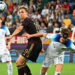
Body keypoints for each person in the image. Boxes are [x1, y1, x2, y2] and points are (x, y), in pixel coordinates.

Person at [7, 5, 42, 75]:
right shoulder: (29, 21)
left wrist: (11, 36)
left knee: (18, 62)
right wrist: (42, 46)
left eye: (22, 12)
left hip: (33, 44)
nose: (20, 14)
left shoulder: (27, 20)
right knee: (22, 63)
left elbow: (19, 29)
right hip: (34, 44)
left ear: (27, 13)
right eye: (19, 12)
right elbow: (38, 33)